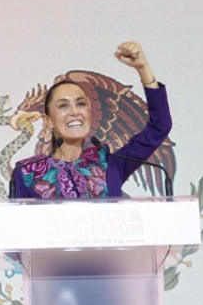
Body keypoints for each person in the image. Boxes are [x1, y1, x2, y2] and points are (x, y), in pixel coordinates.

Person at [14, 41, 172, 198]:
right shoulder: (27, 172)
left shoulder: (109, 164)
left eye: (80, 104)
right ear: (48, 121)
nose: (75, 112)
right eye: (63, 106)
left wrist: (143, 68)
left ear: (89, 113)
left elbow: (159, 127)